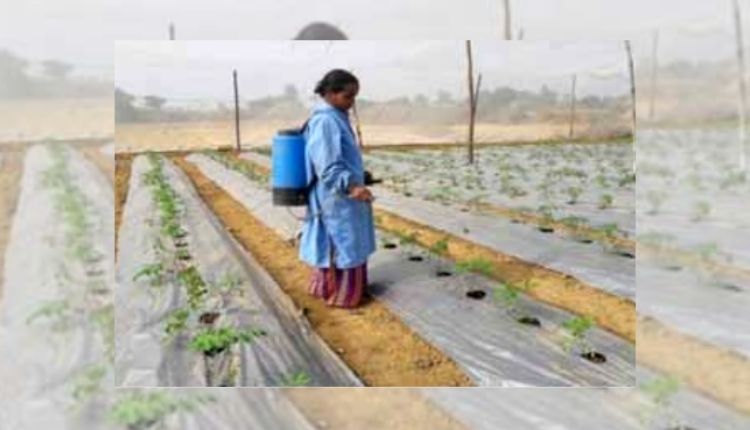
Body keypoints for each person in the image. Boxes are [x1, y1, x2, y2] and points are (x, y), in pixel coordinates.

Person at [299, 69, 376, 308]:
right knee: (339, 242)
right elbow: (327, 164)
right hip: (335, 197)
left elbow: (342, 157)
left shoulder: (337, 116)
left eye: (354, 97)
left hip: (343, 196)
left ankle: (348, 289)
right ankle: (339, 294)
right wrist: (352, 186)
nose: (352, 103)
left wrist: (359, 176)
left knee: (351, 241)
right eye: (348, 96)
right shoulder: (325, 121)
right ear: (331, 94)